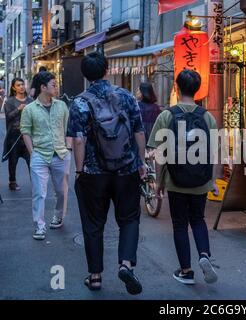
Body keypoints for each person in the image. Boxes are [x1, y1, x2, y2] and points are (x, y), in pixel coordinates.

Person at [67, 52, 147, 294]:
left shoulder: (79, 102)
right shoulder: (126, 97)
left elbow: (78, 140)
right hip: (126, 170)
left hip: (93, 172)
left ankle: (95, 276)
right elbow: (139, 132)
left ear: (85, 74)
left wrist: (80, 171)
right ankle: (125, 264)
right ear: (106, 70)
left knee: (93, 224)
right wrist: (141, 162)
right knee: (129, 218)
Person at [147, 69, 219, 285]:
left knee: (179, 224)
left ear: (177, 88)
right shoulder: (208, 117)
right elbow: (214, 153)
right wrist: (213, 181)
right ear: (197, 90)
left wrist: (158, 183)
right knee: (198, 219)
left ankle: (186, 271)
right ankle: (204, 255)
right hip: (200, 181)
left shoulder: (166, 116)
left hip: (175, 181)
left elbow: (159, 155)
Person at [20, 71, 72, 240]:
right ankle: (39, 226)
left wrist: (68, 147)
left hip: (61, 154)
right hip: (39, 155)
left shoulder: (62, 106)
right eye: (53, 85)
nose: (56, 87)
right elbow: (25, 131)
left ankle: (58, 216)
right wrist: (32, 152)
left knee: (62, 191)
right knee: (39, 192)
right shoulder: (29, 109)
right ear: (43, 87)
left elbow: (68, 128)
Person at [2, 78, 32, 191]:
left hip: (28, 136)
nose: (21, 87)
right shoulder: (9, 101)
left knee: (32, 160)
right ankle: (12, 182)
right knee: (13, 161)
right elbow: (8, 117)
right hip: (14, 136)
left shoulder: (30, 101)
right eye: (18, 85)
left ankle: (35, 181)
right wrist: (18, 109)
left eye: (22, 84)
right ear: (14, 88)